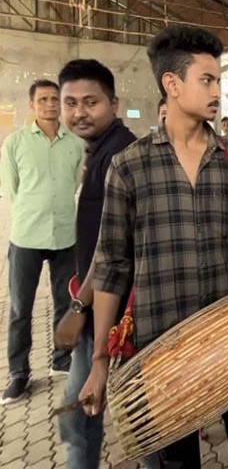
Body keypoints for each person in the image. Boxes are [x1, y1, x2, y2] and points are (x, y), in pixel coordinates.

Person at [77, 26, 228, 467]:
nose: (217, 93)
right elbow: (112, 265)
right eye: (207, 80)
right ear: (172, 84)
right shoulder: (129, 167)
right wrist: (99, 360)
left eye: (218, 82)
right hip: (163, 348)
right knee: (178, 459)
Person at [50, 60, 137, 468]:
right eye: (71, 103)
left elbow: (113, 250)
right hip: (102, 308)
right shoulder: (99, 151)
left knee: (94, 416)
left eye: (91, 102)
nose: (79, 112)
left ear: (113, 104)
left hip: (115, 314)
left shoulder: (118, 155)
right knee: (83, 414)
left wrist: (78, 309)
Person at [1, 79, 83, 405]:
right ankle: (18, 374)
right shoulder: (14, 143)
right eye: (44, 99)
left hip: (64, 235)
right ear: (31, 106)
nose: (50, 104)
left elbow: (74, 182)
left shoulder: (75, 144)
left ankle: (61, 360)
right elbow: (12, 189)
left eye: (55, 99)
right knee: (21, 308)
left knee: (66, 304)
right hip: (26, 236)